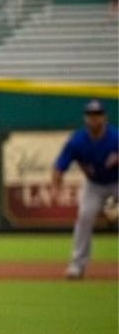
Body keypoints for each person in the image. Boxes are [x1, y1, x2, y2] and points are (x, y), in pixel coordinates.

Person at [51, 99, 118, 280]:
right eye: (90, 115)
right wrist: (56, 185)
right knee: (84, 217)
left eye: (97, 115)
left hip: (116, 182)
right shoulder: (78, 141)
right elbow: (59, 166)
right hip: (94, 185)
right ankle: (77, 266)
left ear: (105, 117)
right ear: (85, 118)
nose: (94, 119)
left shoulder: (115, 138)